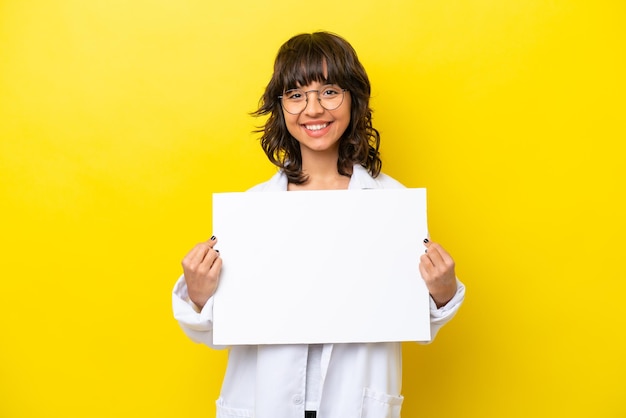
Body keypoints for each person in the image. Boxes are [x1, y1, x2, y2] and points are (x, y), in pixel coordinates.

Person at [172, 31, 465, 418]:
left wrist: (442, 293)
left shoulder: (391, 206)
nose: (313, 109)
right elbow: (213, 332)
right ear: (281, 108)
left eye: (329, 91)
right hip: (264, 401)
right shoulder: (253, 210)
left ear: (353, 99)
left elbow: (407, 313)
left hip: (356, 403)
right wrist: (198, 295)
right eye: (296, 95)